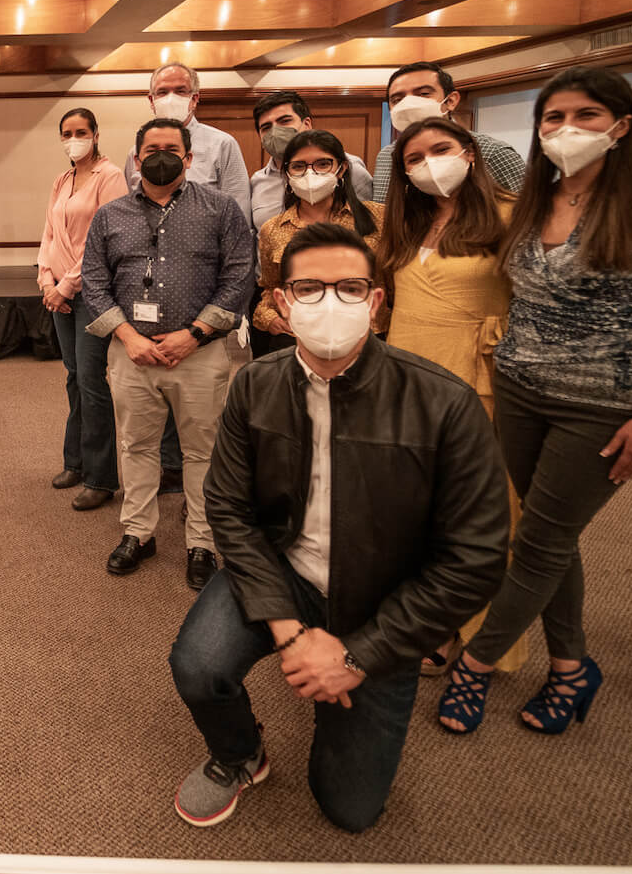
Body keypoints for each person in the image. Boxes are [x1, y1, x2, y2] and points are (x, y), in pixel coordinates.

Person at [169, 223, 509, 832]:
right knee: (198, 665)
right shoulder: (255, 384)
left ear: (375, 302)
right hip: (285, 572)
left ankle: (348, 696)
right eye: (309, 288)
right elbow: (228, 507)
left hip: (384, 597)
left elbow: (476, 557)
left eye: (349, 288)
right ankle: (241, 752)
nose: (330, 303)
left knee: (350, 808)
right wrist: (291, 634)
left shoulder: (444, 402)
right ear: (281, 304)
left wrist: (359, 656)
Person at [438, 67, 632, 735]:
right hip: (520, 389)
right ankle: (570, 666)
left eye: (586, 115)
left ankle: (474, 664)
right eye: (553, 117)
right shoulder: (537, 195)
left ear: (622, 124)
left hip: (602, 402)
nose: (567, 129)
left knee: (537, 539)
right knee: (551, 534)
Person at [378, 117, 527, 675]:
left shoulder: (513, 215)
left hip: (476, 378)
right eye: (414, 159)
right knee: (414, 509)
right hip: (405, 378)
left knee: (479, 511)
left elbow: (540, 303)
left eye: (440, 150)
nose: (428, 165)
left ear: (470, 152)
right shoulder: (405, 221)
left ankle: (482, 640)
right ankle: (429, 618)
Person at [81, 119, 252, 588]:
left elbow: (239, 276)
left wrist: (194, 334)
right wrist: (129, 337)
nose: (161, 156)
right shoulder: (110, 215)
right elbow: (94, 282)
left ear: (189, 158)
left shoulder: (221, 210)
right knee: (136, 446)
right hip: (131, 353)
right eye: (152, 149)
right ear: (137, 159)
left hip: (198, 353)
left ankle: (202, 542)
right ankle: (138, 532)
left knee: (203, 451)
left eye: (172, 149)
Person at [37, 108, 129, 511]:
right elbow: (49, 234)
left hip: (91, 294)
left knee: (92, 381)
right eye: (67, 133)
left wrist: (66, 285)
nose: (73, 139)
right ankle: (74, 463)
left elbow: (103, 241)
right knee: (74, 378)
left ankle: (101, 478)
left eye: (81, 132)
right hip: (59, 293)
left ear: (95, 134)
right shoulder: (63, 179)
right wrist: (46, 280)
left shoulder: (110, 177)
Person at [254, 131, 386, 345]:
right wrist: (269, 318)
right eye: (298, 166)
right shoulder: (272, 229)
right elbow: (271, 287)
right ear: (287, 173)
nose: (310, 174)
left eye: (323, 164)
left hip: (368, 335)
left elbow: (396, 283)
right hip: (299, 338)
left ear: (342, 168)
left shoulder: (378, 217)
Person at [369, 62, 523, 202]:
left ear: (451, 101)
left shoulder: (493, 153)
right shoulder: (386, 157)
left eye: (423, 94)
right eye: (397, 100)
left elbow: (526, 217)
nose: (408, 104)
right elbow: (382, 214)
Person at [121, 63, 248, 212]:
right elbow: (129, 208)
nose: (171, 98)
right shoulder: (136, 152)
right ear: (151, 101)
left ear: (194, 99)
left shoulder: (222, 145)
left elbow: (238, 209)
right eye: (162, 92)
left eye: (180, 91)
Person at [248, 91, 373, 231]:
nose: (275, 131)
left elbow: (368, 222)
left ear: (307, 124)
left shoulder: (347, 167)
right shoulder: (258, 181)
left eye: (285, 121)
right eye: (266, 127)